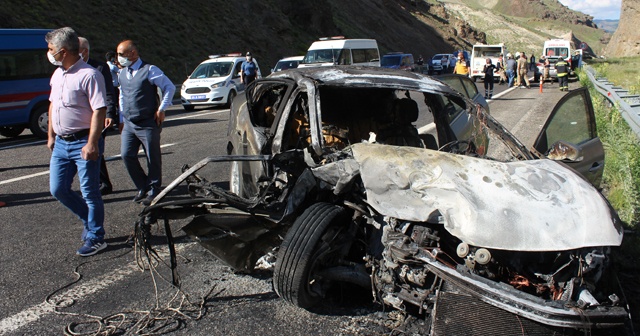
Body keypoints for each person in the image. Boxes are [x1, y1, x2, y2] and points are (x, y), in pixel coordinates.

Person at [46, 27, 108, 256]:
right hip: (61, 143)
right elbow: (53, 104)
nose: (48, 53)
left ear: (63, 51)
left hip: (83, 141)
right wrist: (51, 135)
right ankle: (89, 220)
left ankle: (96, 237)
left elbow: (99, 110)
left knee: (90, 192)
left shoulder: (90, 75)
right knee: (58, 189)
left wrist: (92, 143)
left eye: (51, 49)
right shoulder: (58, 74)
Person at [116, 40, 175, 206]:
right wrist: (121, 117)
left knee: (152, 157)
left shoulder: (150, 70)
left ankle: (154, 189)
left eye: (121, 54)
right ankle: (142, 186)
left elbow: (169, 87)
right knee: (127, 155)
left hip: (148, 121)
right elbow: (122, 94)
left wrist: (162, 109)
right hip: (129, 123)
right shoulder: (122, 73)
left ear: (133, 53)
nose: (118, 58)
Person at [79, 37, 117, 196]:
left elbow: (109, 92)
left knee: (94, 148)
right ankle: (101, 183)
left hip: (98, 115)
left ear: (85, 51)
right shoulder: (71, 68)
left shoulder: (100, 68)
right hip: (80, 117)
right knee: (87, 151)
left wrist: (109, 114)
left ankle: (99, 185)